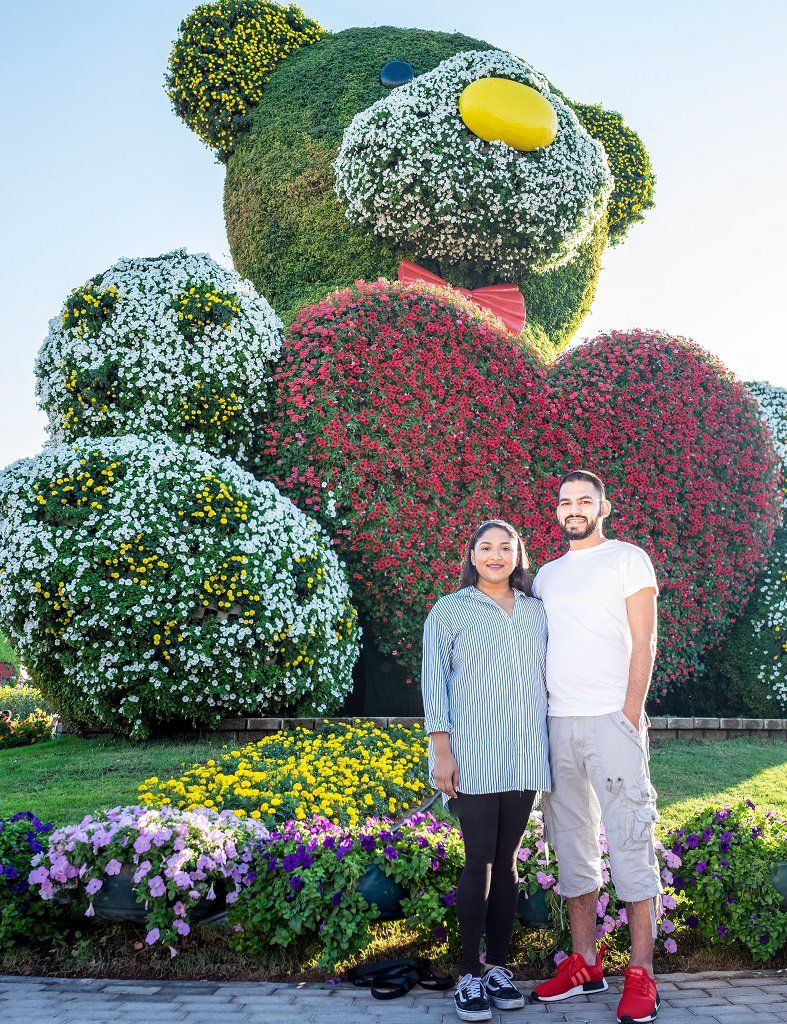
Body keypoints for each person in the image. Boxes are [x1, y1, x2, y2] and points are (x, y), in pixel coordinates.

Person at [530, 470, 661, 1024]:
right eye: (566, 502)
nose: (574, 509)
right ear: (557, 511)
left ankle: (642, 974)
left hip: (613, 722)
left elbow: (644, 640)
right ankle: (584, 962)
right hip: (559, 723)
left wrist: (629, 714)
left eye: (585, 500)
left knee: (631, 837)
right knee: (573, 845)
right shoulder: (545, 576)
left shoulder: (629, 559)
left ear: (603, 507)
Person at [422, 520, 551, 1022]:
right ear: (472, 556)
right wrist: (441, 752)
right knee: (479, 860)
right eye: (486, 547)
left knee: (508, 859)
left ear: (518, 555)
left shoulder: (538, 614)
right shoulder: (449, 610)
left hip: (522, 753)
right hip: (472, 753)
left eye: (505, 547)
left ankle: (498, 967)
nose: (495, 555)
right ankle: (467, 974)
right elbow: (436, 685)